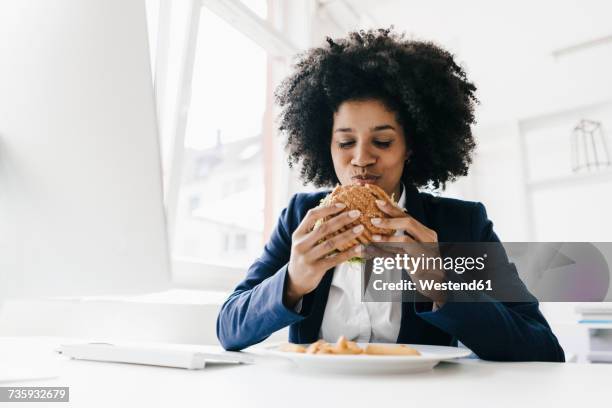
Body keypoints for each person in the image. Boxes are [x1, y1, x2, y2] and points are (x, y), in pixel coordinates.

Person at [216, 28, 565, 362]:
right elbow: (228, 329)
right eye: (345, 142)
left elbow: (543, 348)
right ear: (326, 145)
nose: (361, 159)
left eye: (382, 142)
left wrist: (441, 285)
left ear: (410, 146)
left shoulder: (462, 224)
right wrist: (293, 281)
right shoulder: (301, 218)